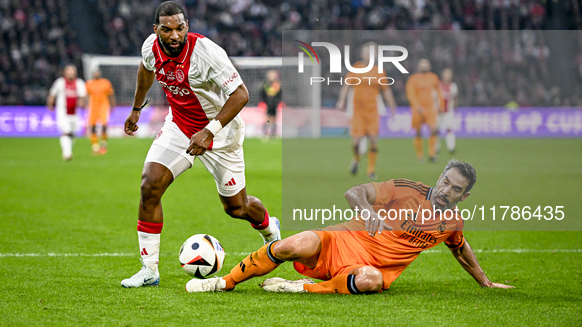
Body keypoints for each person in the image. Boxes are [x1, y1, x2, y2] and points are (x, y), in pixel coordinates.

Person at [121, 1, 281, 288]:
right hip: (180, 126)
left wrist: (210, 131)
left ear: (187, 27)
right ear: (156, 29)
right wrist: (136, 108)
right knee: (150, 185)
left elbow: (241, 94)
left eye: (180, 28)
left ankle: (271, 231)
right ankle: (149, 269)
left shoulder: (206, 53)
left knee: (237, 207)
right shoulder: (150, 47)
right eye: (167, 29)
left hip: (221, 134)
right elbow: (145, 70)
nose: (174, 36)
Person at [186, 159, 514, 294]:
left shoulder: (451, 222)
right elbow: (354, 192)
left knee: (370, 281)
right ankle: (223, 282)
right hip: (339, 241)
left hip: (368, 268)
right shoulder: (405, 189)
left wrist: (485, 282)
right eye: (445, 181)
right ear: (440, 177)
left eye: (455, 189)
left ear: (464, 195)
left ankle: (299, 288)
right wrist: (366, 210)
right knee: (290, 245)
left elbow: (461, 250)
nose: (445, 191)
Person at [336, 42, 396, 179]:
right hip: (358, 111)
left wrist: (392, 106)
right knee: (355, 143)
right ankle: (357, 159)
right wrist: (341, 100)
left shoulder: (379, 71)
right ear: (362, 55)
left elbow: (386, 91)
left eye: (371, 53)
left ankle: (370, 170)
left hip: (372, 112)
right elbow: (346, 85)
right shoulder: (356, 68)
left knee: (373, 141)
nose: (369, 56)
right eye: (367, 53)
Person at [46, 65, 86, 160]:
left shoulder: (79, 83)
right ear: (65, 72)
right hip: (63, 111)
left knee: (73, 132)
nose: (71, 72)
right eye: (69, 71)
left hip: (75, 112)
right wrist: (50, 103)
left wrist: (82, 104)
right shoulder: (60, 82)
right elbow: (52, 93)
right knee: (66, 131)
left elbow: (83, 96)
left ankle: (68, 150)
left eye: (72, 71)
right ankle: (67, 153)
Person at [405, 59, 441, 163]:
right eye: (422, 65)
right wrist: (417, 105)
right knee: (418, 132)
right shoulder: (413, 79)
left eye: (426, 64)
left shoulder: (433, 78)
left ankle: (431, 154)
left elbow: (438, 91)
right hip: (418, 109)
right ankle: (420, 155)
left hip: (430, 108)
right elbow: (410, 93)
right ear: (419, 67)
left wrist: (440, 105)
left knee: (433, 130)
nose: (424, 67)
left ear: (429, 66)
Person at [85, 69, 116, 155]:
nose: (96, 74)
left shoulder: (105, 82)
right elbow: (86, 95)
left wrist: (113, 104)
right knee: (93, 126)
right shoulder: (89, 83)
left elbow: (111, 94)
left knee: (104, 125)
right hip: (93, 107)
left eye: (97, 72)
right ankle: (95, 146)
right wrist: (84, 104)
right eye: (95, 72)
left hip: (103, 106)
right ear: (92, 74)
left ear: (100, 73)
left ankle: (103, 145)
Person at [438, 68, 458, 154]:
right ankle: (436, 147)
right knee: (436, 129)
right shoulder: (438, 85)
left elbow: (455, 98)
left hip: (449, 111)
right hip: (438, 112)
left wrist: (455, 108)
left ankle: (451, 147)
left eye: (449, 74)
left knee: (449, 128)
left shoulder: (453, 86)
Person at [260, 70, 282, 140]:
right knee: (267, 119)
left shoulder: (278, 85)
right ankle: (266, 133)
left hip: (275, 105)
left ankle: (273, 134)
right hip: (267, 105)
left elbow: (280, 95)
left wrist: (278, 103)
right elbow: (262, 94)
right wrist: (263, 103)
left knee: (274, 119)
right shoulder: (265, 85)